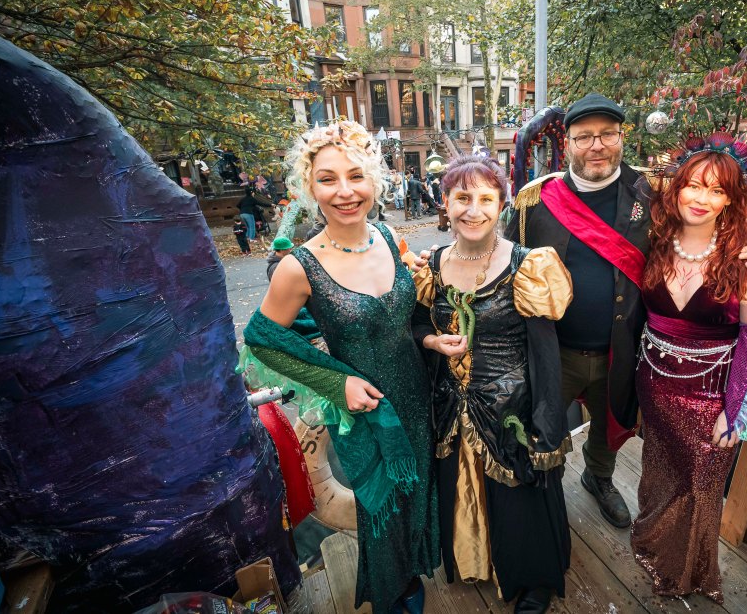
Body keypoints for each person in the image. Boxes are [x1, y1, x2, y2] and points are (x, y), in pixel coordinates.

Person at [502, 93, 747, 529]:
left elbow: (712, 220)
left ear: (621, 138)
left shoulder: (654, 193)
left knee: (612, 423)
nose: (597, 145)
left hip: (625, 348)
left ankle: (599, 478)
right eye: (584, 137)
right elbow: (504, 263)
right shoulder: (533, 202)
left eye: (607, 135)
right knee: (544, 425)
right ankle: (546, 494)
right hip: (552, 348)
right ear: (568, 143)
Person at [242, 121, 438, 614]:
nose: (345, 192)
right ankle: (393, 600)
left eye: (356, 176)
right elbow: (261, 343)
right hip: (365, 414)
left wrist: (431, 334)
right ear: (309, 187)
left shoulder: (391, 237)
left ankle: (410, 584)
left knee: (416, 501)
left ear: (374, 181)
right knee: (381, 515)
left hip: (417, 399)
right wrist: (338, 381)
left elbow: (405, 318)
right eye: (328, 179)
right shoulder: (298, 267)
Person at [630, 134, 747, 603]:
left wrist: (736, 411)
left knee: (701, 489)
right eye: (694, 186)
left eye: (718, 190)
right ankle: (655, 548)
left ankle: (689, 574)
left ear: (732, 200)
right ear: (676, 188)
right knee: (658, 475)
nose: (702, 199)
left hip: (713, 393)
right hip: (653, 382)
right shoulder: (657, 241)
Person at [413, 155, 573, 614]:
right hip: (452, 405)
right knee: (464, 490)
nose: (474, 210)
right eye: (462, 198)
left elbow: (545, 353)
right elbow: (418, 324)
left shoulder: (528, 266)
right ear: (445, 203)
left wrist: (545, 421)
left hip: (512, 410)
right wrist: (431, 339)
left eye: (486, 199)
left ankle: (533, 580)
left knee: (519, 500)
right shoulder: (434, 264)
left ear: (502, 203)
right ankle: (476, 560)